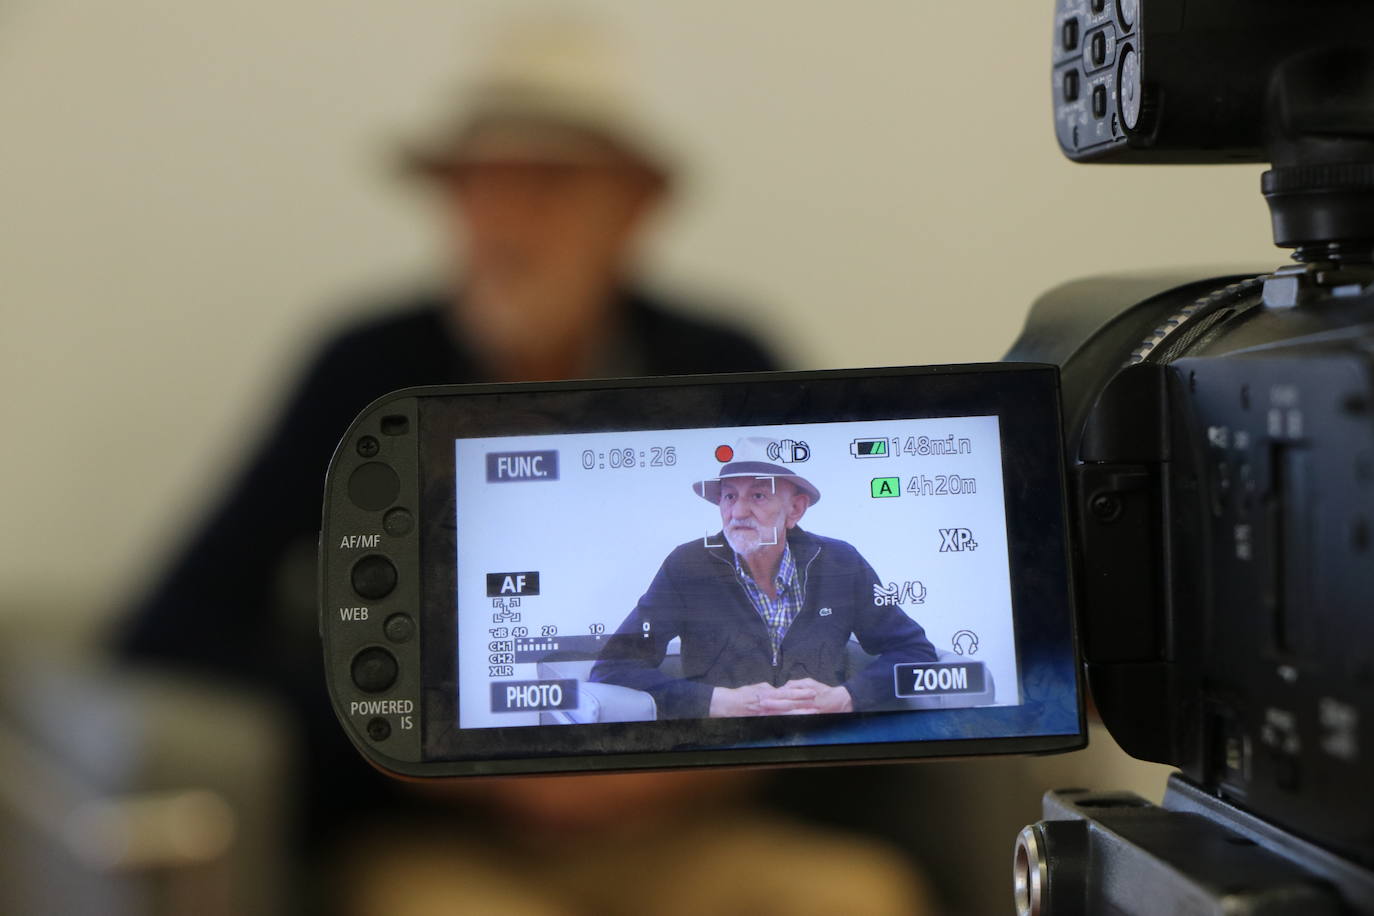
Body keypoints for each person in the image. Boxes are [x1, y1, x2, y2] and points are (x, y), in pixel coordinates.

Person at [114, 22, 779, 861]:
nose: (503, 221)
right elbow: (176, 623)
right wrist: (420, 750)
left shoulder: (724, 365)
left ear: (633, 209)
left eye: (548, 184)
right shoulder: (368, 372)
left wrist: (687, 765)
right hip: (443, 841)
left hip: (690, 833)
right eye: (476, 186)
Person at [591, 436, 939, 719]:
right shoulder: (687, 566)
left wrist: (848, 696)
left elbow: (914, 651)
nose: (738, 512)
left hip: (827, 745)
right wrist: (714, 702)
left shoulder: (840, 563)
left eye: (758, 495)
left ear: (795, 509)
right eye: (730, 496)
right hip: (723, 751)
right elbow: (614, 667)